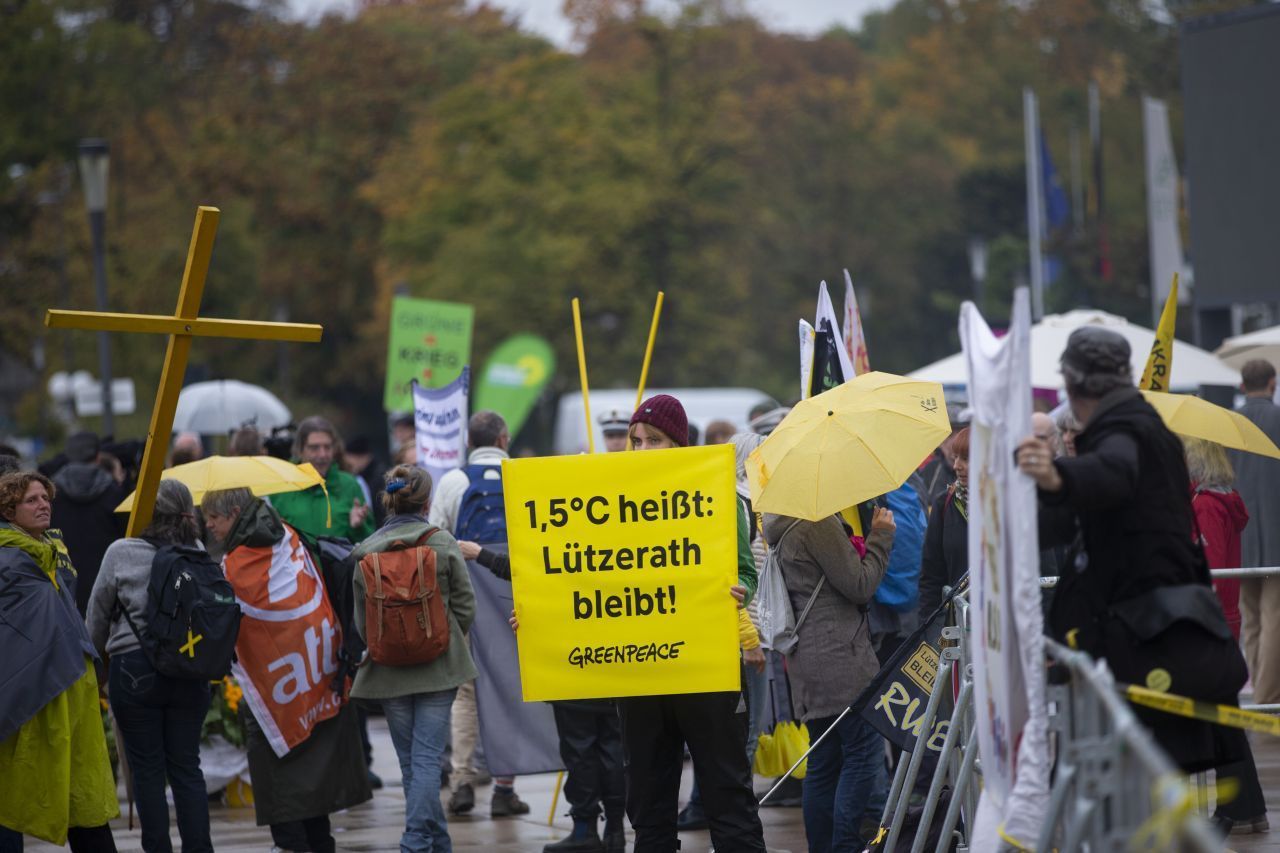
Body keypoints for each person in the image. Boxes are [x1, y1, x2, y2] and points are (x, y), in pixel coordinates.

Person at [1017, 326, 1246, 771]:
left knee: (1128, 801)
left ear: (1071, 384)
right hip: (1142, 642)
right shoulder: (1134, 426)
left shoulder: (1126, 430)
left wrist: (1057, 478)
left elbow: (1113, 474)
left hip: (1143, 646)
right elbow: (1077, 517)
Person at [619, 395, 767, 853]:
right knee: (648, 806)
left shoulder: (718, 495)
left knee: (728, 796)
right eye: (636, 440)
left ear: (679, 443)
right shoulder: (610, 502)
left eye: (655, 440)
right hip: (641, 671)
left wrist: (741, 590)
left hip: (708, 668)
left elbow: (746, 571)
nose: (643, 449)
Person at [202, 486, 371, 852]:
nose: (209, 525)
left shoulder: (235, 566)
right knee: (313, 785)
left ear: (233, 512)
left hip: (275, 689)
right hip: (316, 673)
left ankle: (293, 844)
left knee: (281, 780)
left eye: (213, 517)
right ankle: (319, 842)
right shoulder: (288, 535)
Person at [456, 535, 628, 853]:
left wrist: (480, 555)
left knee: (581, 750)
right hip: (617, 657)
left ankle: (585, 829)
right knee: (612, 746)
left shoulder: (558, 527)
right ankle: (615, 831)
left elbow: (525, 570)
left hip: (568, 658)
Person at [350, 465, 478, 853]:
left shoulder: (366, 551)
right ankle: (419, 841)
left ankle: (433, 841)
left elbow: (362, 623)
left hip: (388, 672)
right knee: (425, 760)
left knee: (412, 764)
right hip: (439, 668)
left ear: (388, 500)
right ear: (427, 502)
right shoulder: (442, 543)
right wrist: (443, 638)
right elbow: (465, 606)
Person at [85, 479, 214, 853]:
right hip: (189, 670)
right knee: (188, 769)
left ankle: (157, 847)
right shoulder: (197, 550)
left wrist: (94, 670)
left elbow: (96, 616)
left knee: (147, 772)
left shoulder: (121, 551)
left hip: (134, 668)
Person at [762, 498, 896, 852]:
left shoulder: (784, 523)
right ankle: (844, 847)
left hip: (810, 662)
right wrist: (881, 537)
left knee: (824, 761)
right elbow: (860, 585)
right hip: (840, 659)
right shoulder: (814, 523)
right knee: (862, 755)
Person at [0, 472, 118, 851]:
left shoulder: (52, 555)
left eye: (45, 498)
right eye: (31, 500)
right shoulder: (10, 561)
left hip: (70, 692)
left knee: (83, 792)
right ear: (9, 510)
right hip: (32, 696)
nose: (43, 505)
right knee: (13, 789)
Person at [429, 411, 529, 818]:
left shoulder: (454, 481)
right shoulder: (521, 475)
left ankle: (463, 781)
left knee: (466, 693)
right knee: (512, 689)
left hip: (466, 600)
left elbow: (435, 537)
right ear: (503, 439)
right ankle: (504, 788)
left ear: (470, 441)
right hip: (514, 600)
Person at [1182, 437, 1268, 835]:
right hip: (1222, 619)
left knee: (1218, 721)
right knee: (1221, 718)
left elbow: (1209, 569)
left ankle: (1234, 809)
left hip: (1209, 622)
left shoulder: (1205, 506)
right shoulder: (1219, 502)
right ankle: (1246, 807)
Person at [1232, 360, 1280, 704]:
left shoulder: (1226, 424)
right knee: (1273, 616)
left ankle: (1260, 691)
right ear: (1273, 383)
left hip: (1240, 537)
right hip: (1276, 535)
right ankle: (1268, 695)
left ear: (1241, 385)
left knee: (1250, 620)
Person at [49, 430, 127, 615]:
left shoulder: (49, 494)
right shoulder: (113, 492)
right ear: (98, 456)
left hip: (64, 583)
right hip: (106, 583)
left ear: (68, 455)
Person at [271, 416, 375, 543]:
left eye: (327, 447)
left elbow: (371, 543)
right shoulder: (280, 487)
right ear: (300, 450)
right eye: (314, 448)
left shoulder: (350, 485)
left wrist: (358, 527)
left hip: (342, 562)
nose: (322, 454)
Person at [917, 427, 969, 617]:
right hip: (959, 628)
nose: (957, 466)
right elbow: (931, 574)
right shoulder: (944, 503)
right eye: (955, 458)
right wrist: (928, 628)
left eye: (966, 459)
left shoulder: (1009, 506)